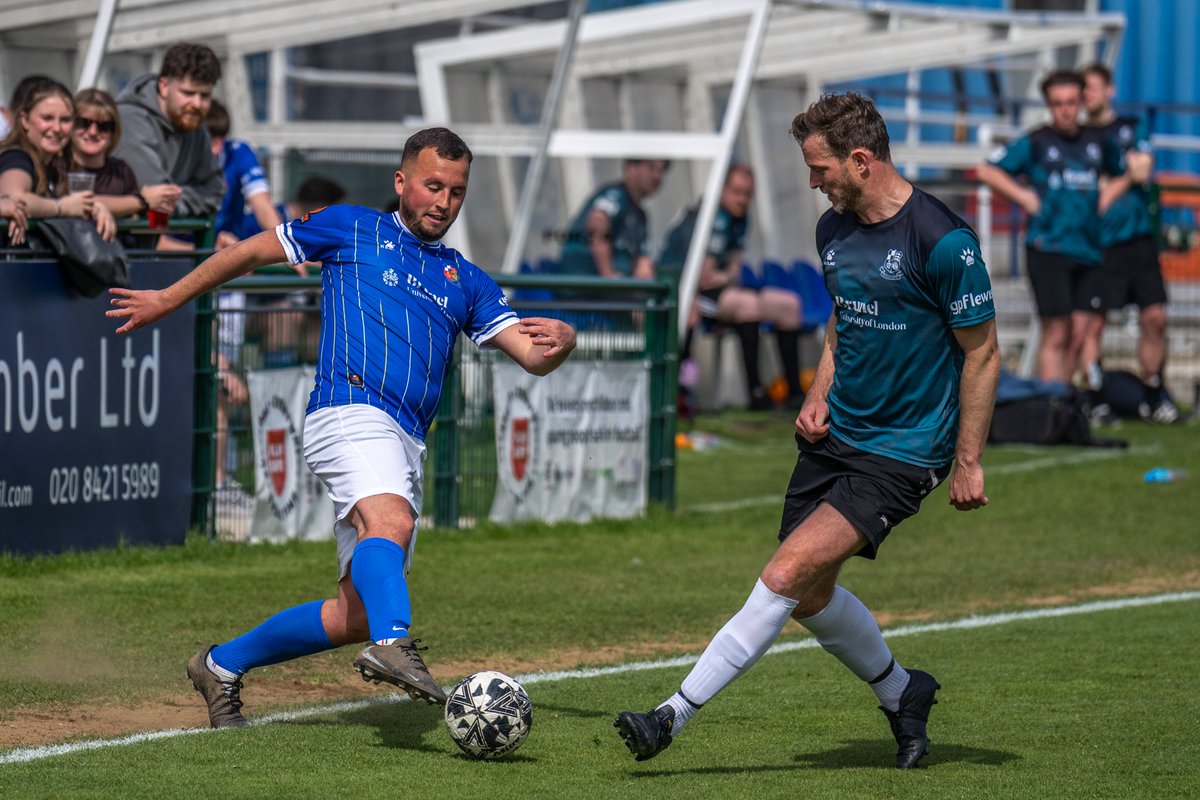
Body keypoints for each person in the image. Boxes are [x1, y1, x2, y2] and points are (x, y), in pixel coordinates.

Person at [107, 127, 577, 728]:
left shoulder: (468, 278)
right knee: (393, 523)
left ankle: (219, 665)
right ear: (401, 183)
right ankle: (395, 644)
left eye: (457, 192)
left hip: (406, 440)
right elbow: (250, 251)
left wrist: (564, 341)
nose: (444, 201)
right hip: (347, 410)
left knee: (355, 611)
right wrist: (169, 298)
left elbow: (532, 356)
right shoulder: (353, 226)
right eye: (433, 185)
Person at [613, 92, 1000, 770]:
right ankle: (902, 691)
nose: (813, 182)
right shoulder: (834, 231)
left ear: (860, 160)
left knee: (787, 572)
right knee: (808, 594)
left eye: (819, 168)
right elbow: (842, 318)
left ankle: (669, 716)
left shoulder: (944, 241)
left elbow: (983, 352)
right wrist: (817, 393)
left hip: (904, 450)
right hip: (836, 435)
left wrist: (967, 460)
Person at [976, 70, 1124, 385]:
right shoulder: (1037, 142)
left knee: (1079, 332)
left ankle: (1064, 399)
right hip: (1049, 249)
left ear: (1082, 101)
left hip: (1089, 248)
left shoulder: (1098, 141)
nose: (1066, 109)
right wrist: (1023, 196)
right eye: (1058, 104)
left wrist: (1109, 193)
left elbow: (1122, 171)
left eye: (1071, 102)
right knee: (1056, 331)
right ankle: (1051, 402)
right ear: (1049, 105)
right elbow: (987, 170)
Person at [659, 165, 806, 410]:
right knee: (746, 305)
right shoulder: (713, 216)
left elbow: (733, 271)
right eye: (736, 192)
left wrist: (724, 277)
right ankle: (756, 393)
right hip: (684, 291)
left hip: (718, 290)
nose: (742, 199)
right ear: (721, 190)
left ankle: (795, 394)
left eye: (747, 193)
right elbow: (704, 277)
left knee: (789, 305)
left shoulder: (740, 217)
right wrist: (724, 277)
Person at [1081, 63, 1177, 424]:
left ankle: (1154, 393)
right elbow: (1100, 197)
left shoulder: (1130, 128)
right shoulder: (1079, 138)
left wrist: (1113, 182)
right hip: (1100, 244)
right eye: (1083, 89)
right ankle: (1094, 396)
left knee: (1155, 318)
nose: (1087, 95)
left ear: (1110, 90)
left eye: (1093, 88)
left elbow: (1144, 169)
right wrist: (1124, 177)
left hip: (1139, 241)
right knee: (1092, 324)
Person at [113, 42, 224, 231]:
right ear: (163, 86)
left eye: (204, 95)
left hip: (148, 246)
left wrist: (173, 201)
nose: (197, 103)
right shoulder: (131, 118)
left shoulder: (195, 126)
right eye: (188, 93)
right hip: (117, 246)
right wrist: (184, 198)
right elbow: (152, 193)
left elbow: (214, 191)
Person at [0, 77, 115, 246]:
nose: (57, 128)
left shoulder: (56, 165)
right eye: (47, 118)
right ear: (24, 120)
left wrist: (95, 207)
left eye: (65, 120)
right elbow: (15, 198)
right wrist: (61, 207)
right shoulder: (17, 157)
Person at [70, 87, 181, 220]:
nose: (93, 132)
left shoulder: (122, 171)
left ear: (114, 131)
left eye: (104, 126)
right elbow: (72, 203)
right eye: (84, 123)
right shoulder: (57, 166)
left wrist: (164, 202)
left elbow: (153, 223)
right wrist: (141, 201)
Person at [558, 159, 667, 279]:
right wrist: (608, 273)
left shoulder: (640, 215)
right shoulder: (616, 195)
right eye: (651, 168)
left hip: (616, 289)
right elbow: (597, 221)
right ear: (631, 168)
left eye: (662, 170)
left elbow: (642, 263)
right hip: (585, 286)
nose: (657, 176)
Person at [204, 99, 285, 250]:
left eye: (221, 139)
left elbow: (262, 205)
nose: (216, 149)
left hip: (230, 253)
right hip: (181, 261)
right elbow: (160, 239)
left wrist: (287, 248)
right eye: (209, 140)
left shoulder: (239, 152)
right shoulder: (172, 160)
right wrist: (208, 250)